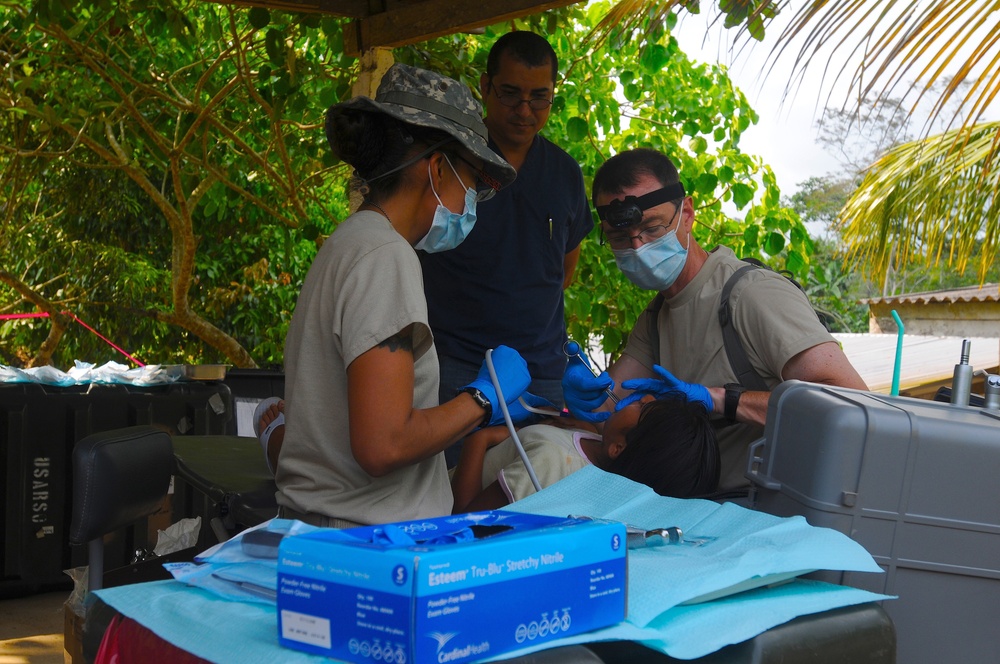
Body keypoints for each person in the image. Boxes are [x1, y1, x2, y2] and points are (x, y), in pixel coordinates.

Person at [276, 63, 536, 528]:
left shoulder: (352, 243)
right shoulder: (384, 257)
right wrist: (482, 399)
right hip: (366, 545)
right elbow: (384, 445)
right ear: (437, 168)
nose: (474, 199)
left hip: (329, 534)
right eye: (475, 181)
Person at [563, 148, 868, 495]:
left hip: (770, 512)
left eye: (652, 228)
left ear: (687, 214)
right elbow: (609, 409)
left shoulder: (750, 294)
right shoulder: (657, 315)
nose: (638, 246)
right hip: (702, 512)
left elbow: (853, 405)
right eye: (620, 238)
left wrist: (723, 400)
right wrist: (577, 394)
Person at [420, 32, 593, 455]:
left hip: (542, 377)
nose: (524, 110)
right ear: (485, 87)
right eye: (510, 94)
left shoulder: (565, 174)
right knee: (449, 496)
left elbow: (563, 273)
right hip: (455, 368)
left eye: (540, 97)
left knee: (537, 499)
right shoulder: (450, 161)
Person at [450, 392, 719, 512]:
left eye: (640, 407)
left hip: (433, 508)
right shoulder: (594, 440)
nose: (643, 397)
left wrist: (480, 437)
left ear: (618, 448)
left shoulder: (551, 463)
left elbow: (463, 522)